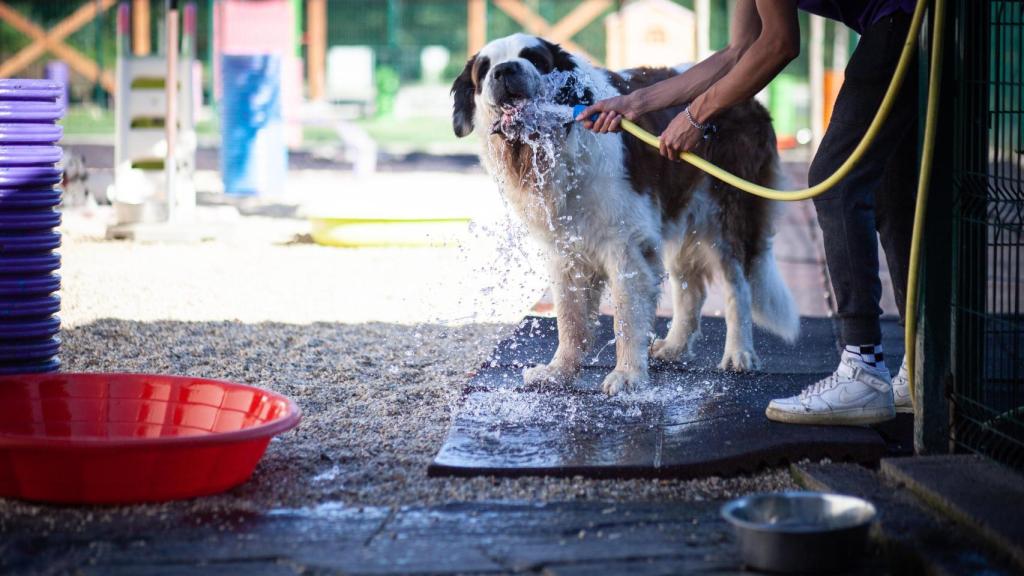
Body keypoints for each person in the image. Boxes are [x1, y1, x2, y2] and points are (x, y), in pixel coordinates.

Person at [577, 0, 918, 425]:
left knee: (839, 184)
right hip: (901, 27)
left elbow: (778, 45)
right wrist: (637, 102)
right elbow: (738, 49)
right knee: (893, 195)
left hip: (904, 26)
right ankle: (923, 364)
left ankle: (863, 368)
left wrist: (695, 115)